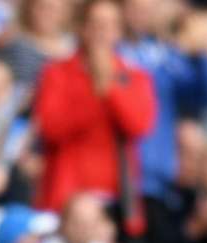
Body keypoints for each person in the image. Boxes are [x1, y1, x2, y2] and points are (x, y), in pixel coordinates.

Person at [32, 0, 155, 230]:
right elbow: (51, 127)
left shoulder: (135, 76)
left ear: (119, 31)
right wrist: (94, 91)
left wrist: (109, 87)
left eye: (109, 25)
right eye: (96, 24)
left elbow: (139, 125)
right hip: (64, 196)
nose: (102, 32)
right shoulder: (57, 73)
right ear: (83, 28)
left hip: (114, 199)